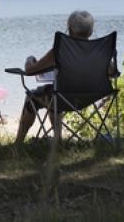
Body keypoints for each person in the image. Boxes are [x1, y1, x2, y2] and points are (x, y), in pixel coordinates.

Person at [15, 10, 100, 143]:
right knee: (54, 91)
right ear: (91, 30)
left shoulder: (60, 49)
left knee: (34, 97)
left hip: (63, 98)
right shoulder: (98, 49)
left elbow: (30, 71)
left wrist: (29, 59)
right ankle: (57, 139)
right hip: (90, 97)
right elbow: (112, 72)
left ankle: (18, 143)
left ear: (69, 28)